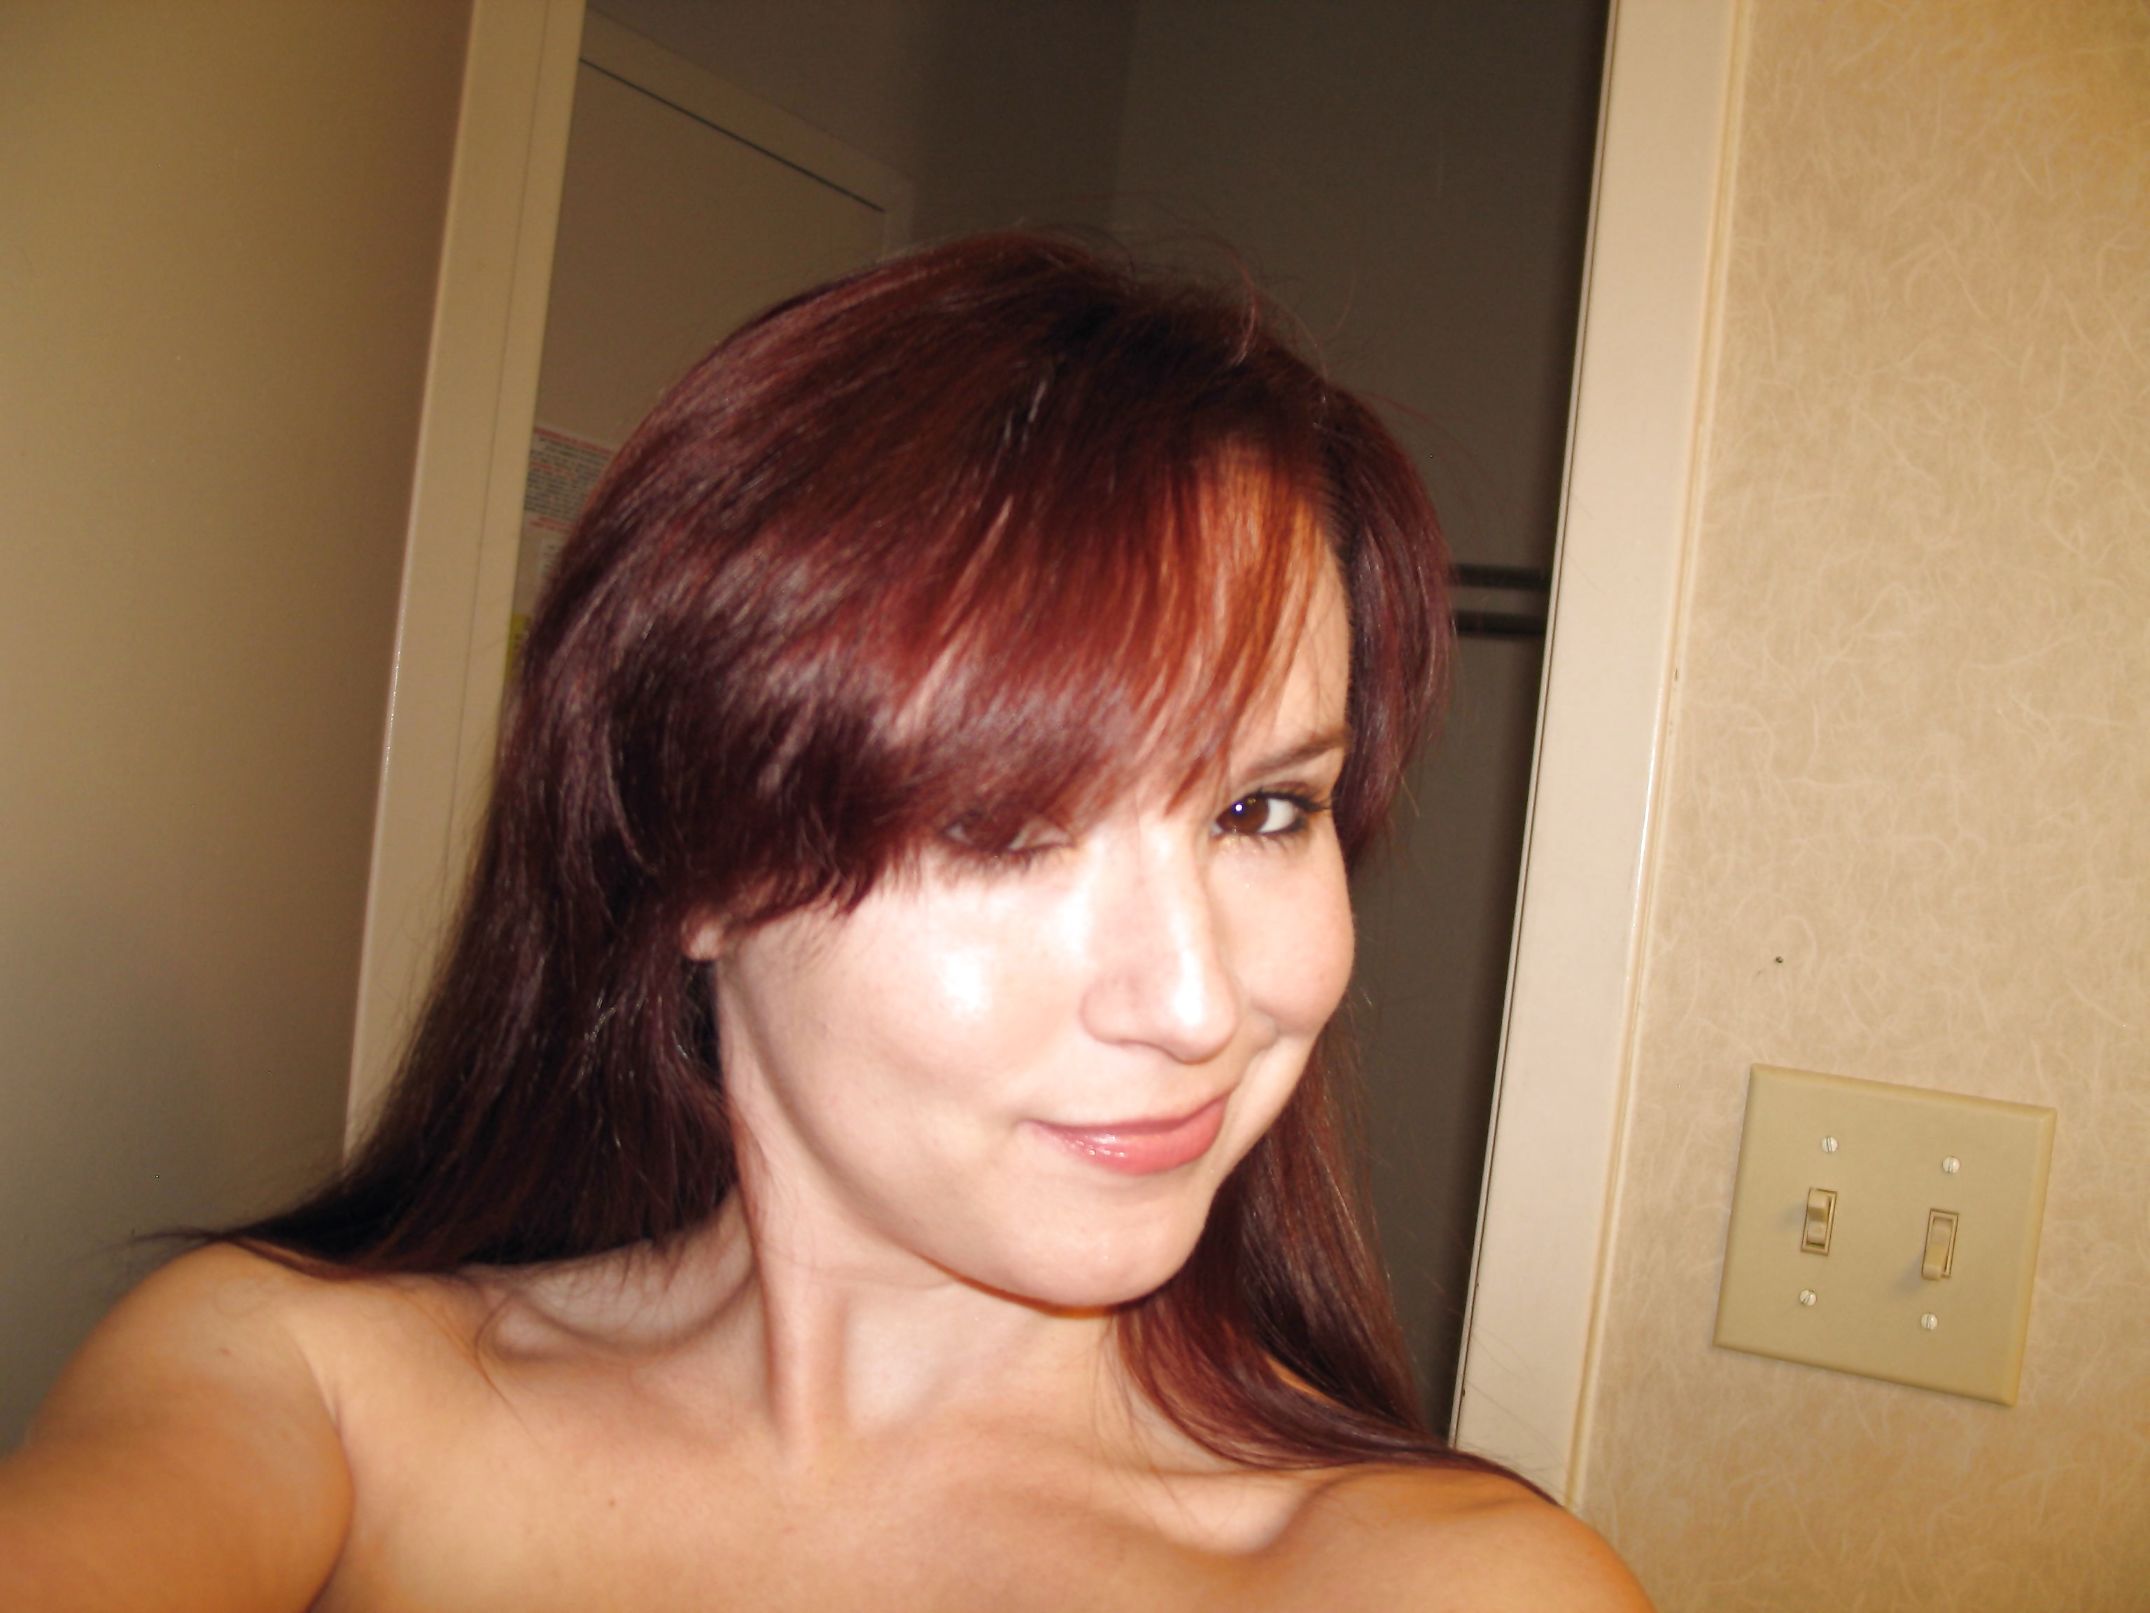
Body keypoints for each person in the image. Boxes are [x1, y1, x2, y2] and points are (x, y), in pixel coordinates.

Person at [0, 233, 1649, 1610]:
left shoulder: (1447, 1581)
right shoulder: (310, 1397)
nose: (1195, 1001)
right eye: (1002, 826)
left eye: (1260, 811)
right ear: (696, 858)